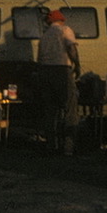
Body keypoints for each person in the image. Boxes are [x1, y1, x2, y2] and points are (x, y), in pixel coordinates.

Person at [36, 9, 81, 154]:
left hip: (44, 72)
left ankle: (51, 145)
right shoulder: (65, 30)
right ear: (61, 20)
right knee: (70, 108)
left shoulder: (44, 36)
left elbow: (39, 58)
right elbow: (71, 48)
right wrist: (78, 65)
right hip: (61, 71)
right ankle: (69, 147)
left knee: (50, 111)